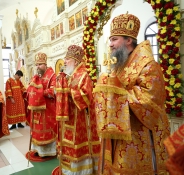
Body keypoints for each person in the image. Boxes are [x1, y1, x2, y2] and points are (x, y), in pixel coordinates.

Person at [94, 13, 169, 174]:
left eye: (114, 39)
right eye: (110, 40)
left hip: (141, 135)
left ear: (129, 40)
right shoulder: (121, 64)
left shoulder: (148, 65)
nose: (110, 44)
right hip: (121, 135)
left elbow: (149, 101)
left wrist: (114, 94)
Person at [56, 45, 100, 174]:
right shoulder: (69, 75)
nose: (64, 61)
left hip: (80, 120)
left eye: (67, 59)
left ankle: (80, 171)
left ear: (75, 61)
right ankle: (68, 169)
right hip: (67, 117)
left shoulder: (83, 75)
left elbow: (86, 97)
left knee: (77, 144)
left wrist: (68, 91)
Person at [27, 52, 57, 157]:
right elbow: (30, 88)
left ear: (45, 64)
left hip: (48, 109)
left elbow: (54, 91)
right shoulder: (36, 77)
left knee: (46, 130)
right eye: (36, 65)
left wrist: (38, 93)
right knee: (37, 129)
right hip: (37, 109)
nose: (37, 67)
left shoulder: (52, 75)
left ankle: (48, 151)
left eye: (40, 64)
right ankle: (38, 150)